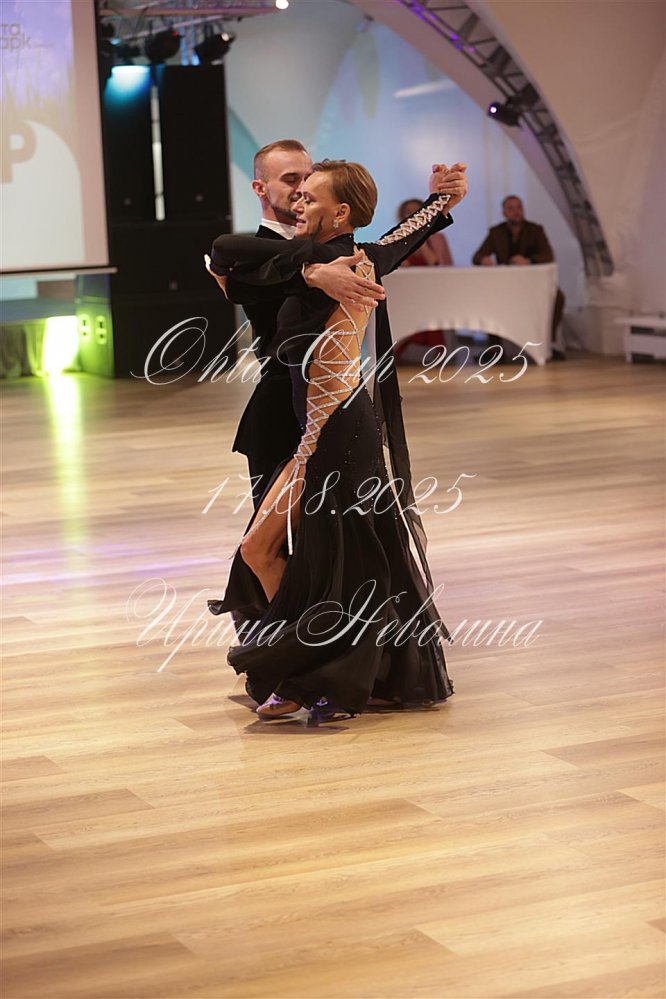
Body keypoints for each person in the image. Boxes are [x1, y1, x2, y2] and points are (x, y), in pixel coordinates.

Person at [206, 159, 467, 720]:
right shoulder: (323, 264)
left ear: (341, 212)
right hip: (319, 436)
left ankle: (308, 677)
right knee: (273, 553)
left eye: (310, 196)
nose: (297, 202)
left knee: (317, 562)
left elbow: (403, 236)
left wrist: (439, 204)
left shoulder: (352, 262)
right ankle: (318, 670)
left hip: (338, 436)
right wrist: (312, 270)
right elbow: (225, 249)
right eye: (296, 194)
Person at [226, 139, 388, 507]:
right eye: (290, 179)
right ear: (260, 188)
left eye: (308, 178)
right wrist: (311, 275)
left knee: (343, 526)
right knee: (276, 533)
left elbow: (396, 243)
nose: (302, 188)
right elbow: (233, 261)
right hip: (280, 413)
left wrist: (440, 202)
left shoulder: (343, 253)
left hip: (340, 413)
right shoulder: (248, 256)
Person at [472, 195, 566, 360]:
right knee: (486, 298)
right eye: (511, 208)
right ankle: (495, 349)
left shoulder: (535, 230)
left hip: (532, 284)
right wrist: (483, 259)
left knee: (557, 297)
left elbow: (547, 255)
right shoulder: (496, 232)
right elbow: (477, 256)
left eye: (519, 207)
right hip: (504, 285)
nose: (516, 212)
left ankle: (548, 343)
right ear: (504, 212)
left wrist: (528, 261)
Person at [394, 197, 455, 364]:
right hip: (408, 294)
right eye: (407, 212)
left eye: (416, 210)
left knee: (429, 309)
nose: (412, 214)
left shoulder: (437, 238)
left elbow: (436, 265)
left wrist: (420, 239)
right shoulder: (398, 238)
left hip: (433, 293)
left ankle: (434, 351)